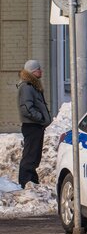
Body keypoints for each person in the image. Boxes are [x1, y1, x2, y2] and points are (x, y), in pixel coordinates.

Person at [17, 60, 52, 189]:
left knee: (34, 155)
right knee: (30, 155)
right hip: (31, 126)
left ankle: (31, 180)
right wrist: (41, 118)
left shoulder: (33, 86)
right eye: (38, 69)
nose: (41, 71)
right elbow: (27, 108)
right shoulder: (26, 87)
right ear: (32, 72)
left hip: (36, 126)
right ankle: (25, 182)